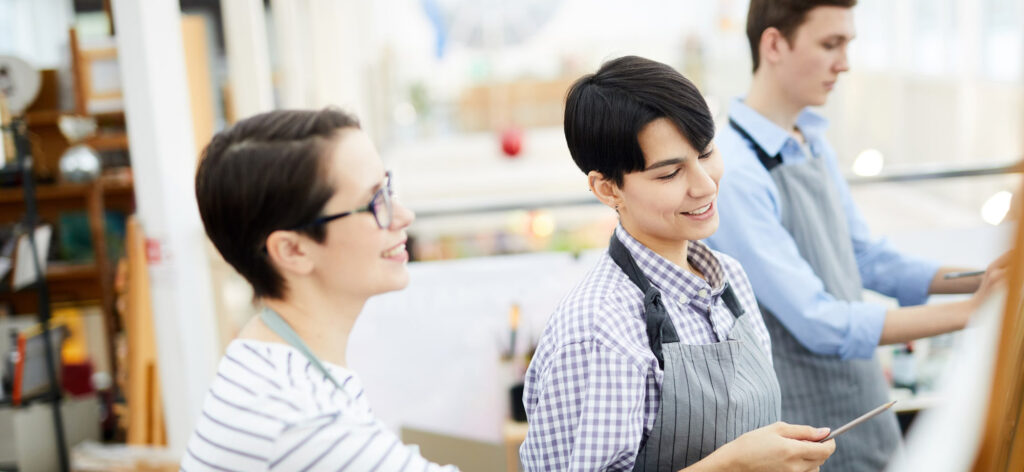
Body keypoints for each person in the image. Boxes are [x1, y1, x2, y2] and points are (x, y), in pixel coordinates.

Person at [705, 1, 1010, 470]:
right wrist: (971, 311)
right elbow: (818, 321)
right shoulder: (737, 173)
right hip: (805, 426)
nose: (844, 64)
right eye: (831, 45)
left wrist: (980, 279)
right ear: (774, 44)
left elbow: (866, 257)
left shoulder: (809, 139)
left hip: (863, 400)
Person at [520, 55, 836, 472]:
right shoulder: (599, 329)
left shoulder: (730, 281)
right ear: (607, 188)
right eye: (669, 174)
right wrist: (735, 465)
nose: (705, 185)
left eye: (706, 153)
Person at [181, 108, 458, 471]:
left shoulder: (260, 356)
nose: (404, 216)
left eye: (388, 189)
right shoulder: (302, 423)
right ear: (293, 250)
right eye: (375, 202)